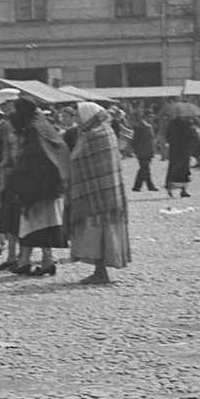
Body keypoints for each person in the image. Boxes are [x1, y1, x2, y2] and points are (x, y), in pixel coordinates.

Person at [2, 98, 70, 276]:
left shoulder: (34, 129)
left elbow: (32, 159)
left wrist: (17, 181)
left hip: (38, 187)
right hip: (48, 185)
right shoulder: (42, 124)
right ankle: (39, 261)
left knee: (35, 224)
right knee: (40, 225)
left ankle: (33, 261)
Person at [67, 102, 132, 286]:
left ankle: (100, 271)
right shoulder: (106, 131)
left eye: (79, 116)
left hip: (97, 194)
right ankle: (99, 271)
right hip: (108, 193)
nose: (78, 120)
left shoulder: (94, 136)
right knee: (102, 231)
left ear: (88, 116)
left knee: (99, 232)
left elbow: (76, 158)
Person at [163, 102, 195, 198]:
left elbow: (192, 137)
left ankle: (184, 190)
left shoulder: (188, 123)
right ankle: (170, 188)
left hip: (184, 150)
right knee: (174, 169)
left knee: (184, 170)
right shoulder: (174, 124)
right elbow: (169, 136)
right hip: (177, 150)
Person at [129, 108, 159, 192]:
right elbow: (136, 139)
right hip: (143, 151)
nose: (151, 118)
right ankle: (150, 186)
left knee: (143, 169)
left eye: (152, 116)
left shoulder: (149, 126)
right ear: (145, 117)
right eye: (150, 116)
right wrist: (136, 150)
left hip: (147, 150)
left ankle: (137, 186)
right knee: (146, 169)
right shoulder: (142, 126)